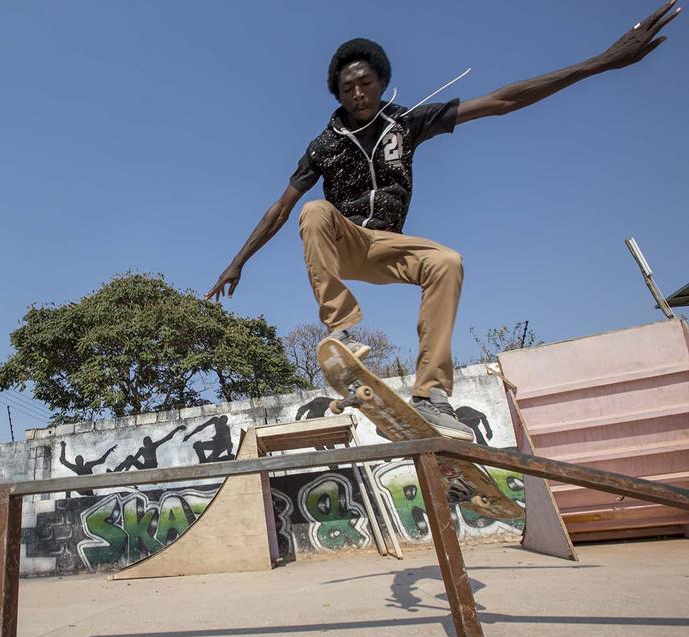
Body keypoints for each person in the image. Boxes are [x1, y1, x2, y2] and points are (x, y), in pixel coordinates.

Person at [206, 1, 679, 439]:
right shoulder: (323, 145)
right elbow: (281, 208)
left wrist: (599, 62)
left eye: (365, 84)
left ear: (380, 82)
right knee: (313, 211)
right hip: (343, 240)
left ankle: (431, 394)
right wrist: (237, 261)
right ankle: (341, 331)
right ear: (338, 93)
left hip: (388, 246)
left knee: (446, 261)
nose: (358, 94)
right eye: (348, 88)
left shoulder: (407, 122)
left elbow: (501, 101)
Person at [109, 424, 186, 472]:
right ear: (145, 444)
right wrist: (126, 470)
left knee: (130, 458)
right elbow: (132, 460)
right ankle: (117, 471)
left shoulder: (153, 446)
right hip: (145, 468)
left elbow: (168, 437)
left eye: (148, 442)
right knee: (130, 457)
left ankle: (119, 471)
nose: (147, 445)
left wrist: (177, 429)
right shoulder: (143, 449)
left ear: (150, 442)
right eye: (146, 443)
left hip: (152, 468)